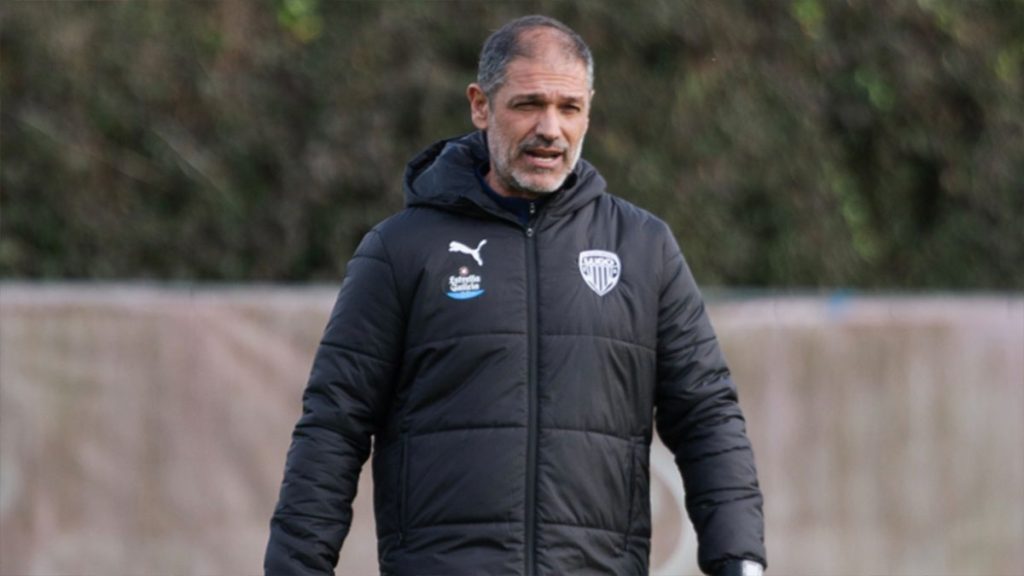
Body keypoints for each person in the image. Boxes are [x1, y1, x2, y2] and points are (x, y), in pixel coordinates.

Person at [266, 15, 766, 576]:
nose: (550, 128)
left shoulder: (644, 249)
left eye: (569, 108)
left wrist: (739, 559)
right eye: (528, 104)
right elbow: (335, 422)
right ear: (481, 106)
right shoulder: (399, 251)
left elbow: (706, 415)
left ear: (589, 112)